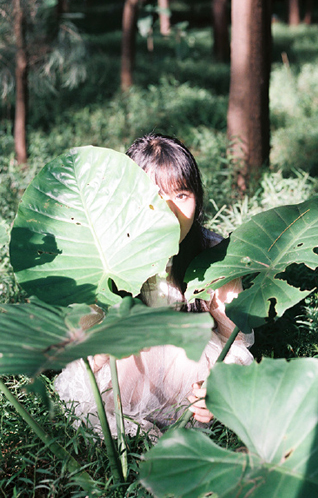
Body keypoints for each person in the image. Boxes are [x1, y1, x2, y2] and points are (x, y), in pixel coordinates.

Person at [54, 134, 253, 437]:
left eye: (182, 195)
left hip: (191, 371)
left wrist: (217, 388)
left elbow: (236, 345)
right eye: (155, 197)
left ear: (197, 198)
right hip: (126, 369)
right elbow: (84, 347)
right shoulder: (104, 258)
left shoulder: (214, 255)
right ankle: (131, 427)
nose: (169, 210)